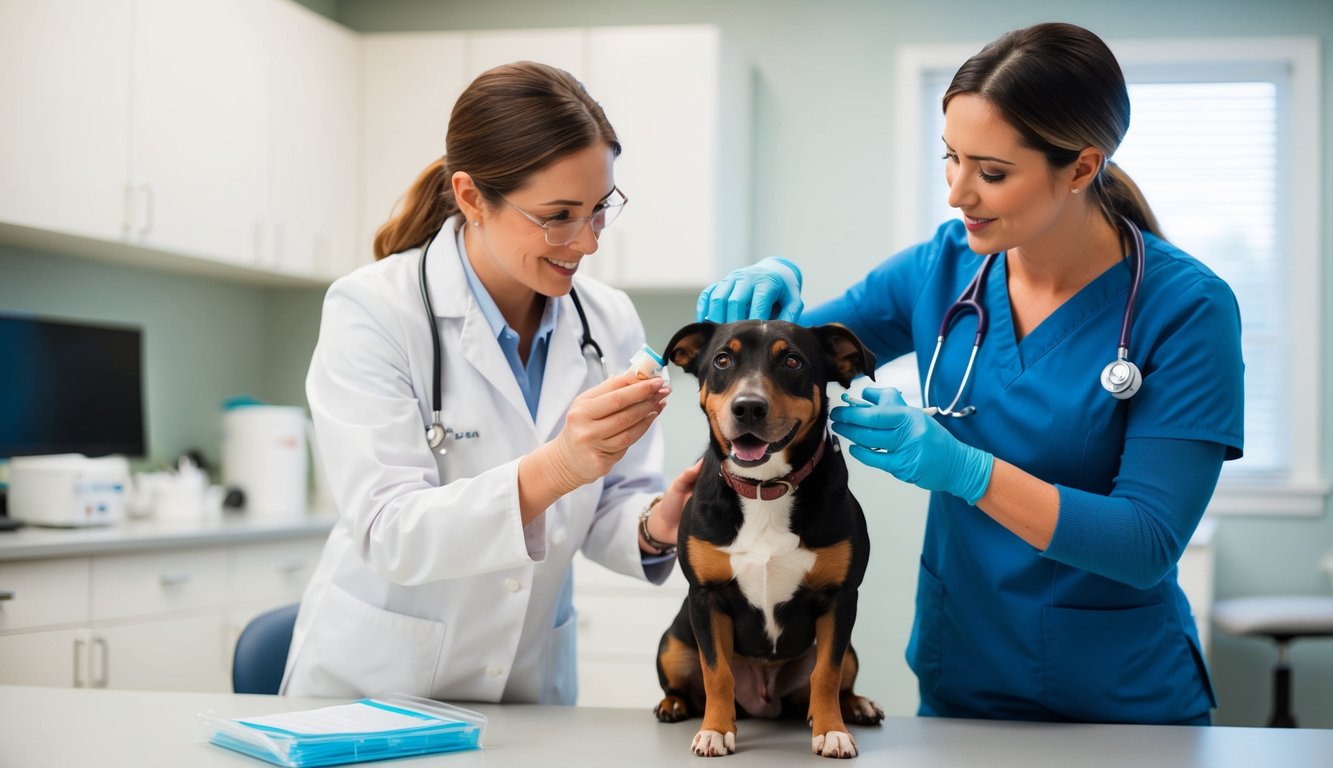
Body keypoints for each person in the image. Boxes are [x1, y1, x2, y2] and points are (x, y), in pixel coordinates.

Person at [697, 23, 1243, 725]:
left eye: (991, 172)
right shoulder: (943, 266)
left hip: (1124, 698)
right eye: (950, 159)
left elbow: (1145, 542)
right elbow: (791, 357)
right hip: (964, 677)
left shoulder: (1187, 309)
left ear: (1081, 167)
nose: (957, 193)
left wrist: (966, 471)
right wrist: (774, 289)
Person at [283, 61, 700, 704]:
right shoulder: (373, 309)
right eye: (559, 215)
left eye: (599, 210)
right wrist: (558, 466)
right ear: (473, 197)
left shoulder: (607, 318)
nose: (587, 243)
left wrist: (657, 521)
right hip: (375, 691)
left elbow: (609, 504)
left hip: (526, 688)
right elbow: (389, 530)